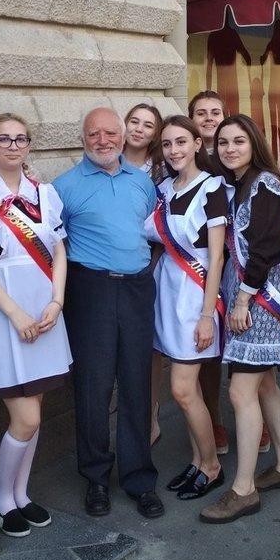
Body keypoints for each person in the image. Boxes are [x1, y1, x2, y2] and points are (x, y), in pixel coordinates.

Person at [0, 113, 72, 537]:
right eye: (3, 139)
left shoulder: (46, 193)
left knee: (35, 412)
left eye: (20, 138)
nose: (12, 145)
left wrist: (57, 301)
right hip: (4, 316)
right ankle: (1, 495)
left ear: (28, 146)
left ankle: (21, 494)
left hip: (45, 310)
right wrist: (14, 313)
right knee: (23, 417)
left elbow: (59, 251)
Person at [53, 107, 164, 519]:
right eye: (94, 133)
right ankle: (96, 477)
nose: (104, 140)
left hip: (137, 289)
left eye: (110, 132)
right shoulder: (63, 187)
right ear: (82, 137)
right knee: (93, 387)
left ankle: (139, 480)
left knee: (137, 384)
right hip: (91, 290)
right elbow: (52, 247)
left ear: (122, 136)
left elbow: (154, 234)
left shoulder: (143, 183)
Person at [200, 115, 280, 523]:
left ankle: (243, 490)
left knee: (241, 392)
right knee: (265, 386)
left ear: (253, 143)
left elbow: (265, 248)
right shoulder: (238, 183)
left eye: (238, 140)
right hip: (248, 298)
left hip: (258, 300)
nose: (229, 148)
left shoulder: (266, 184)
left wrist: (242, 300)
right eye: (222, 142)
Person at [144, 115, 228, 502]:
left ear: (197, 144)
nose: (174, 150)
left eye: (181, 142)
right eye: (166, 144)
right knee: (186, 388)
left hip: (195, 298)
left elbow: (216, 258)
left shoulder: (212, 188)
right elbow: (159, 245)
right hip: (167, 293)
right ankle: (197, 461)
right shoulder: (163, 188)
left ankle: (211, 466)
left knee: (181, 389)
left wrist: (208, 314)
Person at [187, 91, 233, 455]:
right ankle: (215, 420)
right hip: (201, 270)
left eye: (215, 112)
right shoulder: (183, 159)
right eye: (200, 113)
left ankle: (257, 420)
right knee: (209, 355)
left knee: (246, 349)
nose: (208, 117)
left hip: (239, 266)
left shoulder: (236, 153)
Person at [123, 102, 167, 447]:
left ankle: (150, 415)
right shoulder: (105, 158)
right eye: (134, 122)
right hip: (109, 269)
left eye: (147, 125)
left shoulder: (160, 173)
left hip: (148, 268)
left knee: (149, 349)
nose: (138, 129)